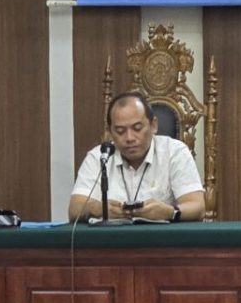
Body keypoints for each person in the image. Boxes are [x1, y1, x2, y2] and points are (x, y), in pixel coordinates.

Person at [68, 92, 205, 222]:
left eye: (137, 128)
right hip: (112, 242)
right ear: (110, 133)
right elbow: (74, 208)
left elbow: (197, 207)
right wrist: (99, 208)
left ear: (153, 126)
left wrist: (169, 212)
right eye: (120, 131)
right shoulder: (100, 157)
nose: (129, 138)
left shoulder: (174, 152)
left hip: (163, 242)